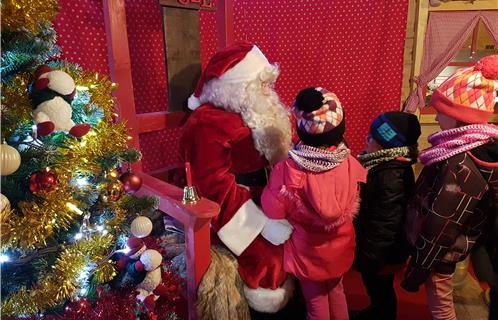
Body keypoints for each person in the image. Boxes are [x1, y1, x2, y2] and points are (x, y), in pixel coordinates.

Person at [181, 43, 295, 314]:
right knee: (269, 259)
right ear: (237, 86)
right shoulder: (208, 123)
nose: (269, 90)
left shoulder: (252, 113)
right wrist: (260, 225)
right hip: (229, 209)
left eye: (270, 82)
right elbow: (212, 185)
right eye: (262, 83)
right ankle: (264, 307)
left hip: (265, 196)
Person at [401, 54, 498, 320]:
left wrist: (419, 267)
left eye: (441, 112)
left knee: (441, 304)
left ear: (459, 118)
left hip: (440, 252)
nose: (438, 118)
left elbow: (441, 223)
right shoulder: (473, 148)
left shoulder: (460, 163)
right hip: (451, 247)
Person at [261, 87, 367, 320]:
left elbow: (273, 209)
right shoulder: (349, 162)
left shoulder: (287, 169)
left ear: (302, 130)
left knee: (316, 301)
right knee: (336, 291)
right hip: (340, 247)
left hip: (308, 250)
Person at [353, 111, 421, 320]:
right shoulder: (387, 164)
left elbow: (385, 223)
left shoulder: (391, 176)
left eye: (372, 137)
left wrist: (371, 258)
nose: (367, 139)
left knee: (380, 287)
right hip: (381, 249)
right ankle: (377, 310)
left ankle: (382, 314)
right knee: (377, 288)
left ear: (386, 145)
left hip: (383, 253)